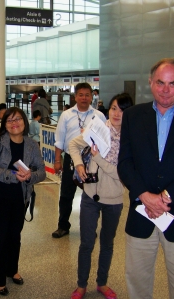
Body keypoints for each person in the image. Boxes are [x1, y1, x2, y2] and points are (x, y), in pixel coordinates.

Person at [118, 58, 174, 299]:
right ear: (150, 83)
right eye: (160, 82)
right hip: (141, 214)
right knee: (137, 285)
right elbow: (125, 163)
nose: (166, 89)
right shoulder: (133, 116)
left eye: (173, 83)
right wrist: (145, 195)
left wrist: (166, 196)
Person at [69, 93, 133, 299]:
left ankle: (102, 283)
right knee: (86, 243)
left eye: (122, 110)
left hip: (114, 200)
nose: (117, 113)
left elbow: (123, 174)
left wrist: (98, 158)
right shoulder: (97, 130)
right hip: (90, 197)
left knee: (107, 243)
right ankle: (81, 285)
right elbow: (73, 145)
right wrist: (79, 163)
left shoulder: (132, 141)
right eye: (114, 108)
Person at [0, 107, 46, 296]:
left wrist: (29, 176)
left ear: (24, 122)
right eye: (9, 120)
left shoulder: (31, 144)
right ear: (5, 125)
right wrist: (13, 174)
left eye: (18, 119)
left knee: (14, 236)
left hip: (21, 197)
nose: (14, 123)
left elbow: (42, 172)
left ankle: (12, 269)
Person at [52, 83, 106, 238]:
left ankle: (89, 228)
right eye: (81, 95)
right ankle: (63, 226)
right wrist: (57, 161)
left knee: (91, 196)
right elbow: (59, 140)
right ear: (75, 96)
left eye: (87, 95)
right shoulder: (66, 115)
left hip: (92, 160)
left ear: (92, 96)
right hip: (70, 159)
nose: (84, 98)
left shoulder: (99, 116)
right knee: (66, 194)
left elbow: (105, 139)